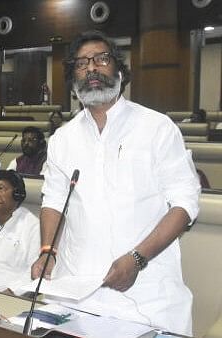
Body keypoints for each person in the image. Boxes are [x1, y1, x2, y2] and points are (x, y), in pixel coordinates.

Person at [26, 31, 199, 335]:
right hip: (78, 296)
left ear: (119, 70)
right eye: (81, 64)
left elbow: (185, 204)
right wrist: (47, 251)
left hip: (149, 297)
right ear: (73, 77)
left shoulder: (157, 128)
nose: (91, 68)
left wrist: (137, 258)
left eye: (101, 59)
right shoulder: (63, 139)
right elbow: (53, 201)